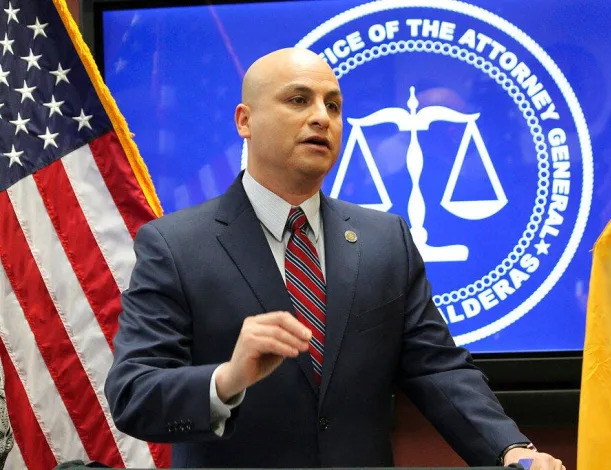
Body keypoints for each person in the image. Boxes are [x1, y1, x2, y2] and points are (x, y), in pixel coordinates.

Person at [105, 48, 565, 470]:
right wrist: (227, 379)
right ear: (244, 120)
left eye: (333, 105)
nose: (321, 118)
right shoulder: (175, 245)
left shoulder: (386, 240)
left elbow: (436, 367)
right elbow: (133, 394)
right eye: (299, 100)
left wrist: (510, 449)